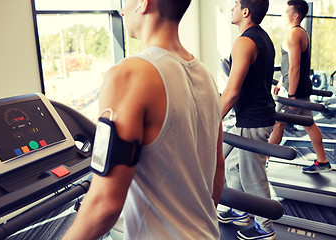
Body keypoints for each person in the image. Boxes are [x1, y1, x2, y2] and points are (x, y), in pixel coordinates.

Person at [62, 0, 225, 239]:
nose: (121, 9)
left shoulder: (129, 74)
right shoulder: (207, 76)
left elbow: (104, 205)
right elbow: (217, 172)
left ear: (143, 3)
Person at [217, 0, 276, 239]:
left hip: (253, 121)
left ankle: (265, 228)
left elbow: (232, 92)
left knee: (252, 177)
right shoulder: (263, 37)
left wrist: (211, 122)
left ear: (245, 11)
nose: (231, 7)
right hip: (252, 117)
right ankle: (240, 211)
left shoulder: (243, 41)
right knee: (233, 166)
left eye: (235, 4)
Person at [269, 0, 332, 174]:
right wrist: (282, 81)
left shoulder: (294, 34)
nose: (283, 14)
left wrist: (290, 94)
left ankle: (262, 160)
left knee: (277, 124)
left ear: (295, 15)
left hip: (294, 91)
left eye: (286, 11)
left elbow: (295, 67)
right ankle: (323, 161)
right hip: (298, 87)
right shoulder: (300, 33)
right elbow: (293, 64)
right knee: (310, 124)